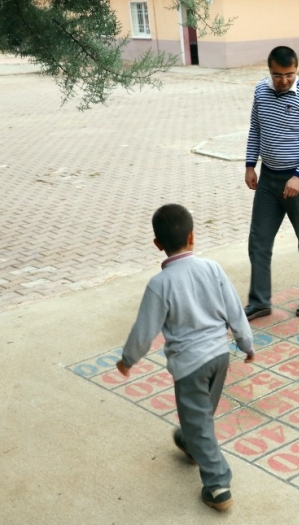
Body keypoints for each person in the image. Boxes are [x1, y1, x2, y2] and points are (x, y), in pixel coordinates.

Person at [115, 204, 255, 512]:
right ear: (192, 236)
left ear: (157, 245)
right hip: (220, 356)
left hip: (190, 365)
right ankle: (192, 443)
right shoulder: (212, 268)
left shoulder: (159, 284)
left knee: (198, 421)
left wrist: (127, 359)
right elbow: (234, 308)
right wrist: (246, 344)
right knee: (200, 416)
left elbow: (144, 330)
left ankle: (218, 484)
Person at [244, 45, 299, 320]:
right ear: (269, 71)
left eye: (289, 74)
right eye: (278, 75)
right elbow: (255, 127)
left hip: (298, 181)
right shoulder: (260, 91)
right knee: (258, 240)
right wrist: (249, 165)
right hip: (268, 179)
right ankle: (259, 301)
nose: (283, 80)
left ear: (297, 69)